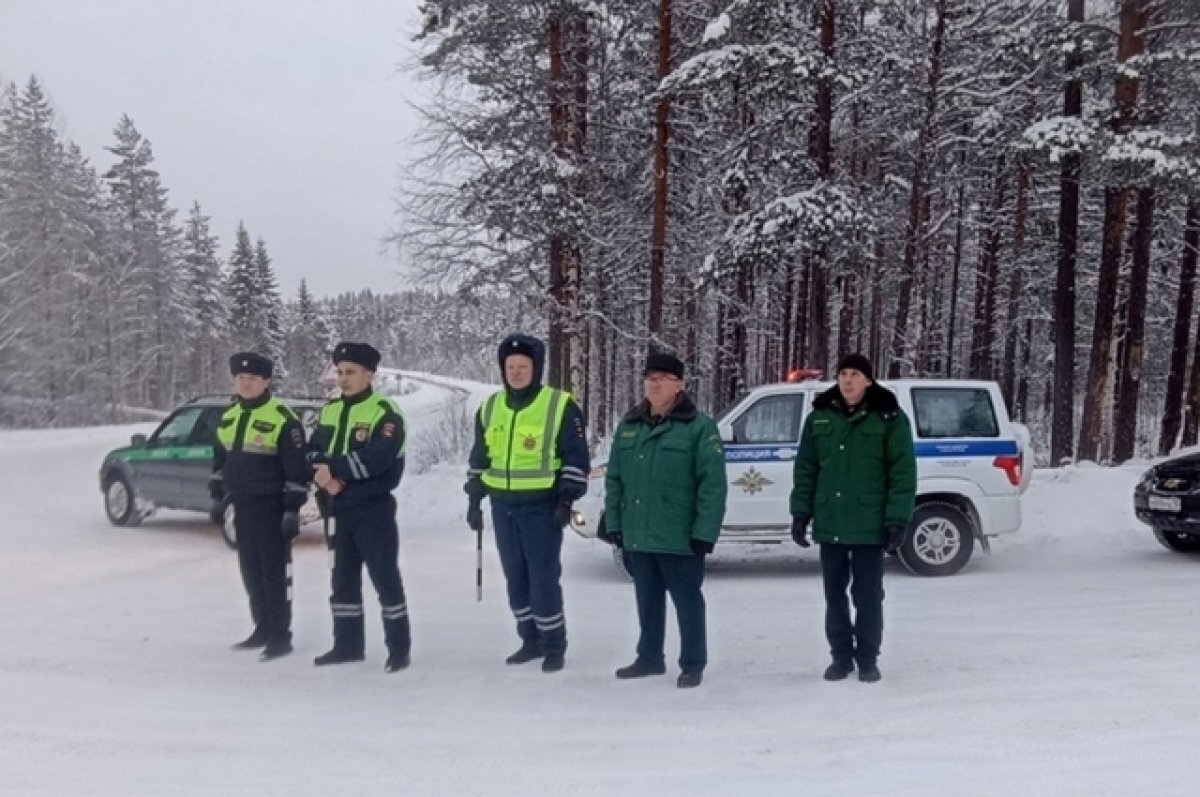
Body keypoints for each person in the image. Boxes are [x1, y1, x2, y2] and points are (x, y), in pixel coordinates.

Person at [465, 334, 590, 673]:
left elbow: (576, 458)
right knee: (515, 577)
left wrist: (567, 500)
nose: (516, 373)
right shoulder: (490, 407)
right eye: (510, 367)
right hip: (502, 508)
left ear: (536, 369)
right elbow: (479, 458)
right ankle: (529, 640)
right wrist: (474, 500)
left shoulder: (559, 405)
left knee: (543, 578)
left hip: (542, 510)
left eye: (523, 366)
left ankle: (554, 645)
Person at [789, 353, 916, 683]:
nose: (847, 380)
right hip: (830, 520)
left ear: (868, 381)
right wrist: (801, 512)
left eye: (855, 374)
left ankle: (868, 658)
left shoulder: (888, 417)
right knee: (834, 595)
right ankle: (841, 657)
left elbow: (903, 473)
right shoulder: (819, 417)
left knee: (867, 596)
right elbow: (806, 469)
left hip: (869, 523)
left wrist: (897, 519)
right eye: (843, 373)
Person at [604, 352, 727, 689]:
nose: (654, 385)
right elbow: (615, 480)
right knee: (647, 601)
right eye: (650, 378)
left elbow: (712, 486)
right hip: (639, 533)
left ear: (679, 385)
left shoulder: (699, 428)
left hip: (680, 536)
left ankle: (692, 663)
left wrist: (705, 532)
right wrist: (615, 524)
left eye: (662, 379)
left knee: (687, 602)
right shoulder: (630, 426)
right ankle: (649, 657)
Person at [308, 342, 412, 673]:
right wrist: (325, 479)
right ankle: (347, 645)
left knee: (385, 579)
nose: (343, 378)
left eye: (351, 372)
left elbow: (378, 459)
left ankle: (398, 650)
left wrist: (334, 472)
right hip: (336, 509)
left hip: (372, 509)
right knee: (341, 579)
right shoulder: (330, 410)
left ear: (370, 374)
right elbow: (312, 451)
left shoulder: (385, 412)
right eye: (340, 372)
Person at [210, 352, 309, 662]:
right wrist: (217, 498)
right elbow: (220, 462)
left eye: (252, 378)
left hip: (272, 507)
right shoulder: (229, 416)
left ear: (266, 381)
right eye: (240, 378)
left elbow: (297, 470)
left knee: (274, 573)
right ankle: (262, 627)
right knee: (251, 571)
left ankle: (281, 635)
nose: (245, 383)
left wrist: (292, 509)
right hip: (242, 506)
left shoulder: (283, 418)